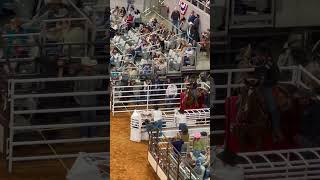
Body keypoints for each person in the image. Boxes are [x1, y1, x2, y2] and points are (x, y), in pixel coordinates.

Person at [253, 44, 283, 142]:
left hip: (268, 86)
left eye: (259, 55)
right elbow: (257, 75)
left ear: (264, 55)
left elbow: (276, 78)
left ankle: (276, 129)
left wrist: (264, 82)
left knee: (272, 107)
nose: (257, 56)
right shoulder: (259, 64)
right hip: (259, 86)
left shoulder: (271, 64)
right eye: (257, 55)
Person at [74, 57, 100, 137]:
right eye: (87, 66)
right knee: (85, 118)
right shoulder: (80, 76)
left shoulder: (95, 75)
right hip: (84, 100)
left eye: (89, 66)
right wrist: (77, 99)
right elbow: (75, 89)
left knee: (91, 118)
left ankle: (90, 135)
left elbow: (98, 86)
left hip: (90, 100)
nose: (88, 68)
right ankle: (86, 135)